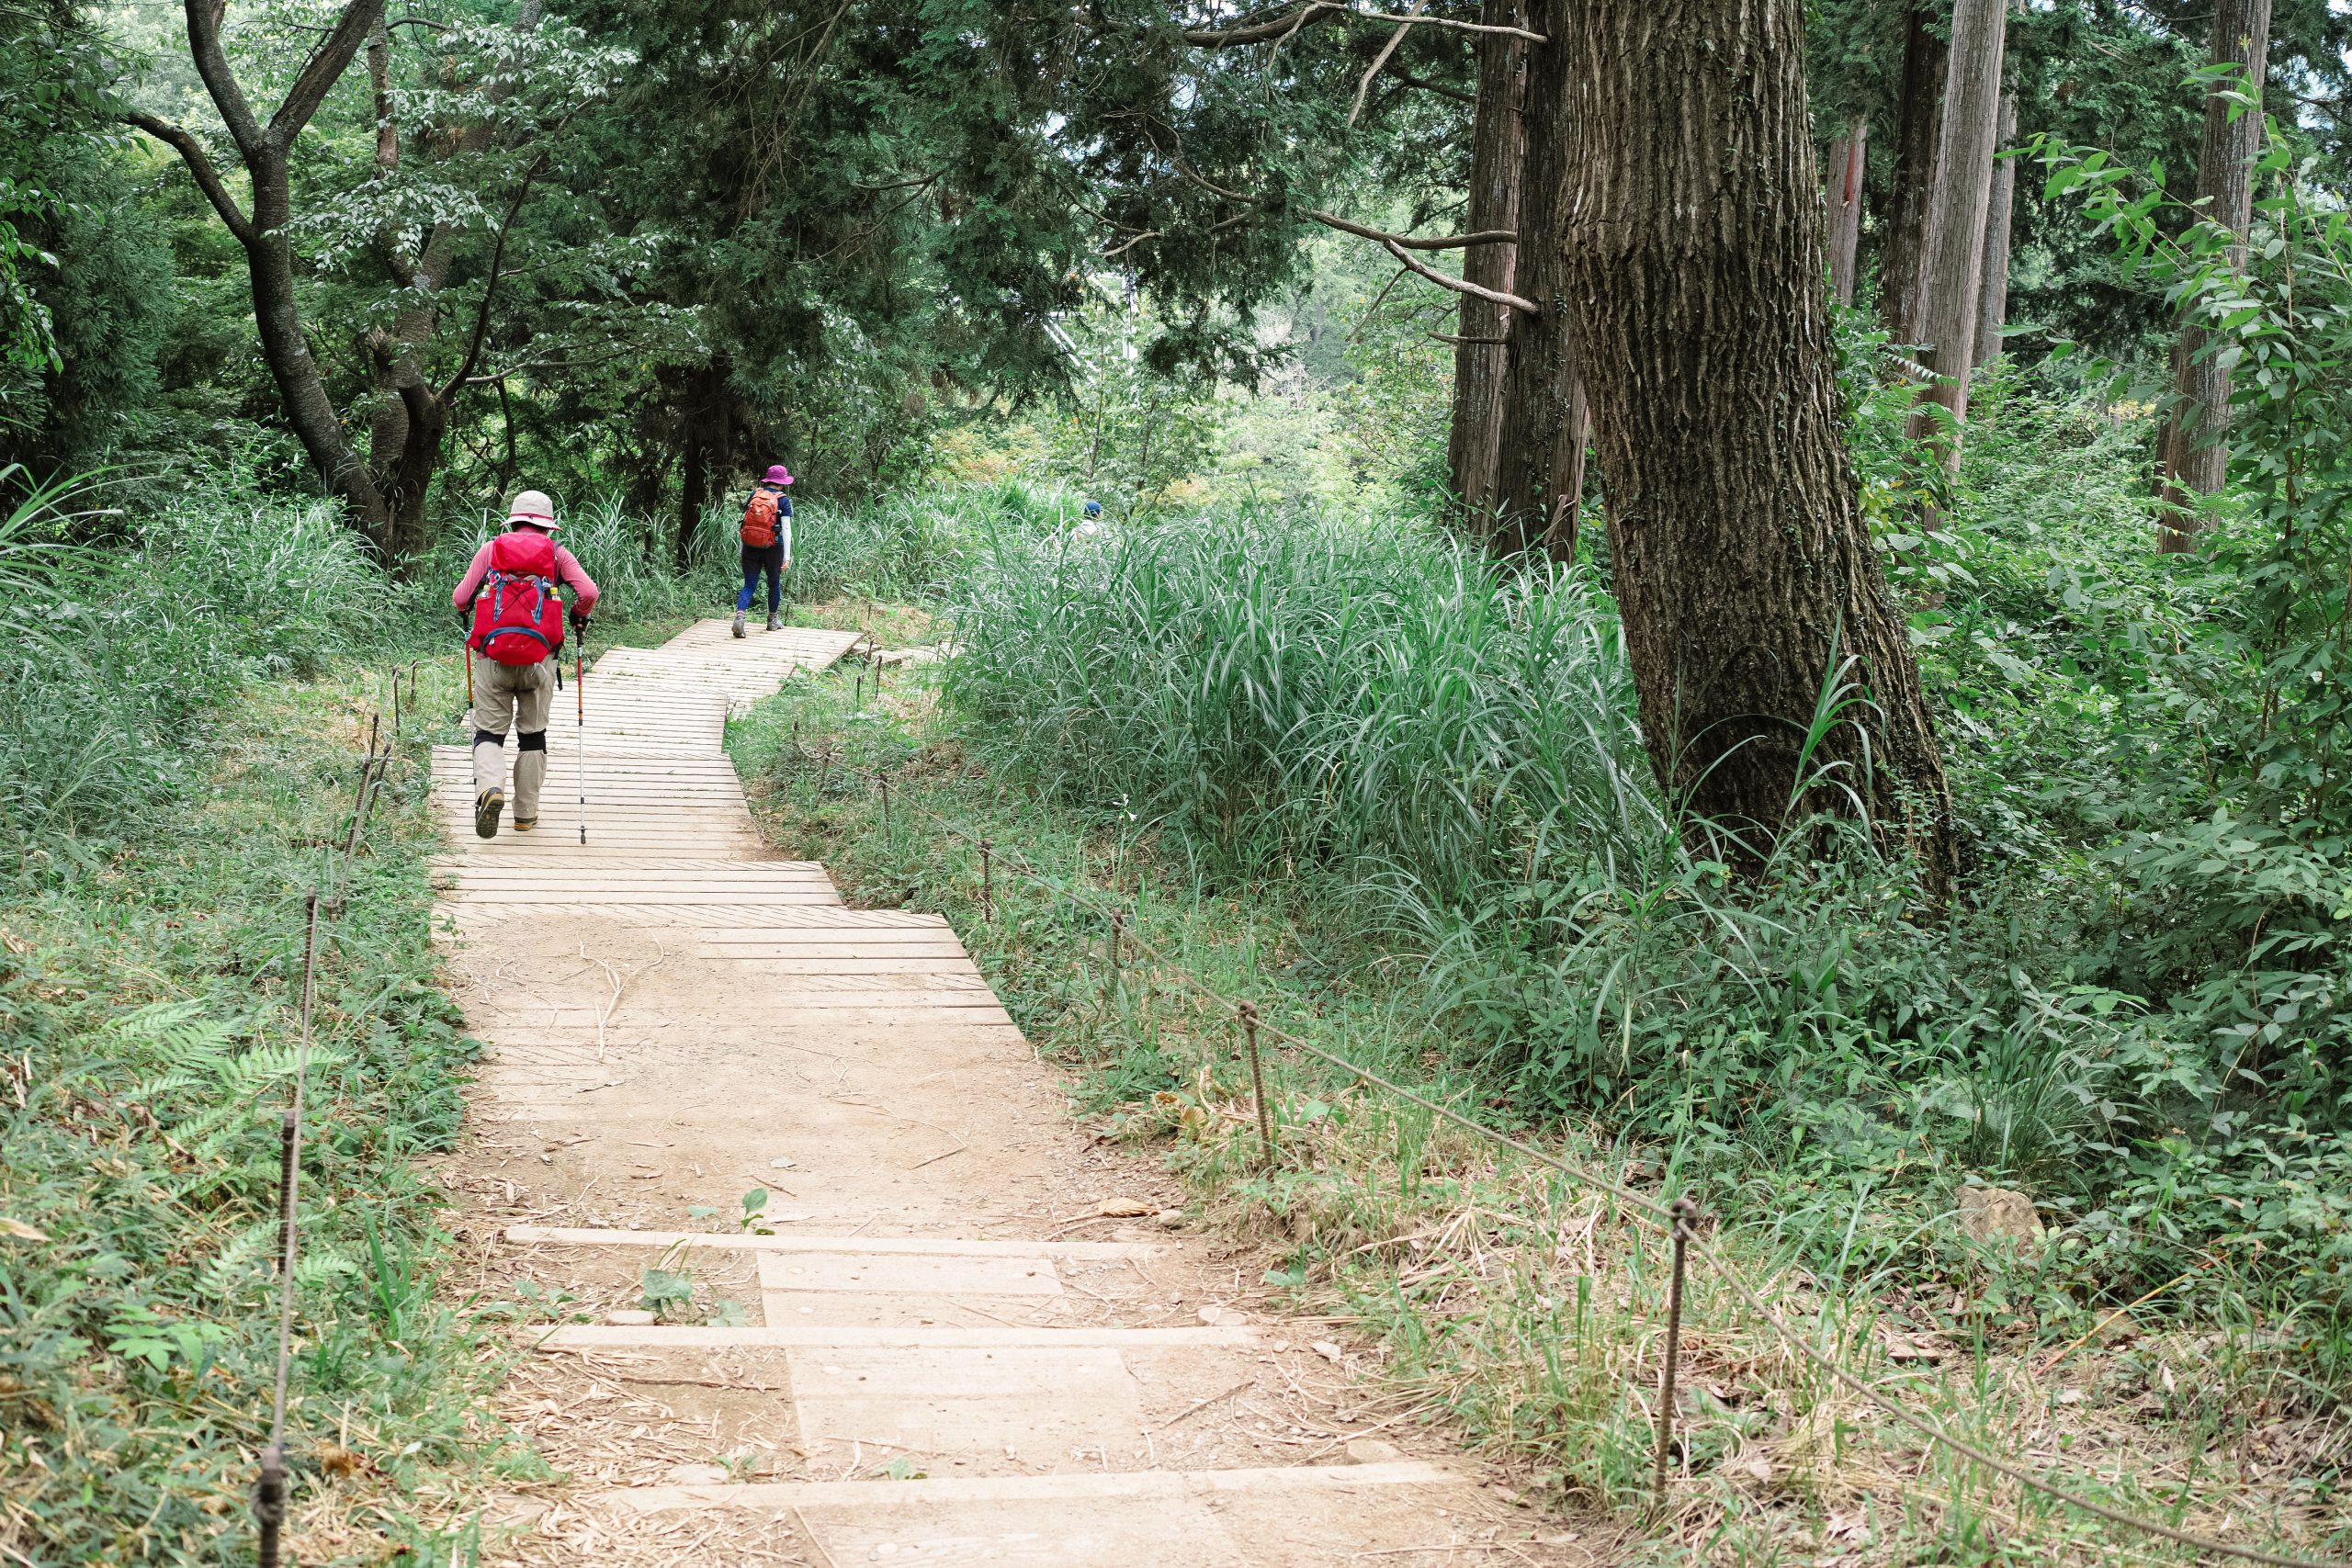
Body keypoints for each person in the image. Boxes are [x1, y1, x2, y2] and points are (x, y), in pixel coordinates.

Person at [452, 490, 599, 839]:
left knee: (488, 733)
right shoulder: (558, 554)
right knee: (533, 736)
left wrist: (469, 611)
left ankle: (490, 789)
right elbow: (588, 593)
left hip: (493, 659)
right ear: (548, 527)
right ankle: (525, 815)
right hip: (540, 661)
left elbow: (460, 598)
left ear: (513, 521)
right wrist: (579, 617)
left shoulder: (491, 550)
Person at [733, 464, 795, 637]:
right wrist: (787, 557)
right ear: (782, 483)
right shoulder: (783, 500)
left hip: (750, 546)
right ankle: (772, 621)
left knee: (749, 585)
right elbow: (786, 530)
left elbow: (744, 523)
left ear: (768, 480)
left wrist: (742, 547)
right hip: (773, 548)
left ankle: (740, 617)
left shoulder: (754, 495)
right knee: (774, 584)